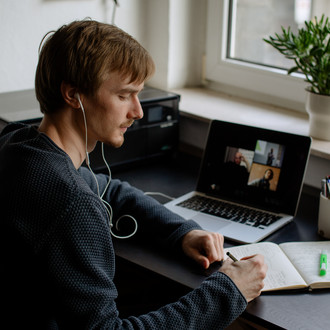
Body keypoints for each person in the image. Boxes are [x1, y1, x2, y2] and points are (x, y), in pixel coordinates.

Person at [0, 20, 267, 329]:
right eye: (124, 95)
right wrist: (229, 291)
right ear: (74, 95)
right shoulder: (71, 204)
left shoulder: (18, 143)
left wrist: (182, 232)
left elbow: (108, 190)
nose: (138, 111)